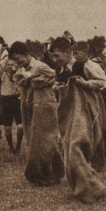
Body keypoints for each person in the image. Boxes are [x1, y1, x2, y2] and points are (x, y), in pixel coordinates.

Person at [51, 37, 106, 202]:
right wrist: (57, 88)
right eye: (52, 57)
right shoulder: (60, 71)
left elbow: (105, 82)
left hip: (87, 110)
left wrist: (86, 83)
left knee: (76, 146)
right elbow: (59, 86)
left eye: (57, 56)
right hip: (69, 113)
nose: (55, 60)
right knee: (68, 146)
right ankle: (85, 185)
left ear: (68, 53)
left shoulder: (83, 66)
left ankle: (89, 189)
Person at [9, 41, 64, 186]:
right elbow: (17, 81)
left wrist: (32, 80)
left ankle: (42, 174)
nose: (16, 61)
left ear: (25, 54)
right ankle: (54, 172)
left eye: (17, 58)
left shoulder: (40, 66)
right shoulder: (22, 70)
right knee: (33, 140)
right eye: (14, 60)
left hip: (44, 105)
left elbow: (53, 76)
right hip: (29, 105)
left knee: (43, 141)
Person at [0, 50, 24, 154]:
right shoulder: (2, 73)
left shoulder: (21, 72)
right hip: (7, 100)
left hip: (18, 99)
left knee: (20, 126)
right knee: (8, 127)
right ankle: (10, 146)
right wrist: (1, 51)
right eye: (8, 64)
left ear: (16, 65)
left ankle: (18, 146)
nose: (10, 66)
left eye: (12, 64)